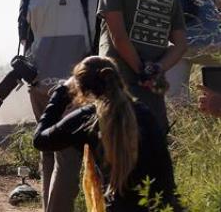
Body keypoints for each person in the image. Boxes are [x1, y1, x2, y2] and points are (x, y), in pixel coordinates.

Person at [33, 56, 182, 212]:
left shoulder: (87, 118)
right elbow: (165, 172)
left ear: (82, 89)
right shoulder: (144, 113)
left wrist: (61, 92)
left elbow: (40, 140)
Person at [18, 0, 100, 212]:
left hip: (40, 82)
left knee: (48, 154)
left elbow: (25, 36)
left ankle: (49, 207)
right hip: (79, 84)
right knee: (71, 158)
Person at [97, 0, 188, 132]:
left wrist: (140, 71)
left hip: (118, 91)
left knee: (118, 158)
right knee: (154, 156)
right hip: (153, 98)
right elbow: (181, 44)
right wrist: (155, 70)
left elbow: (118, 36)